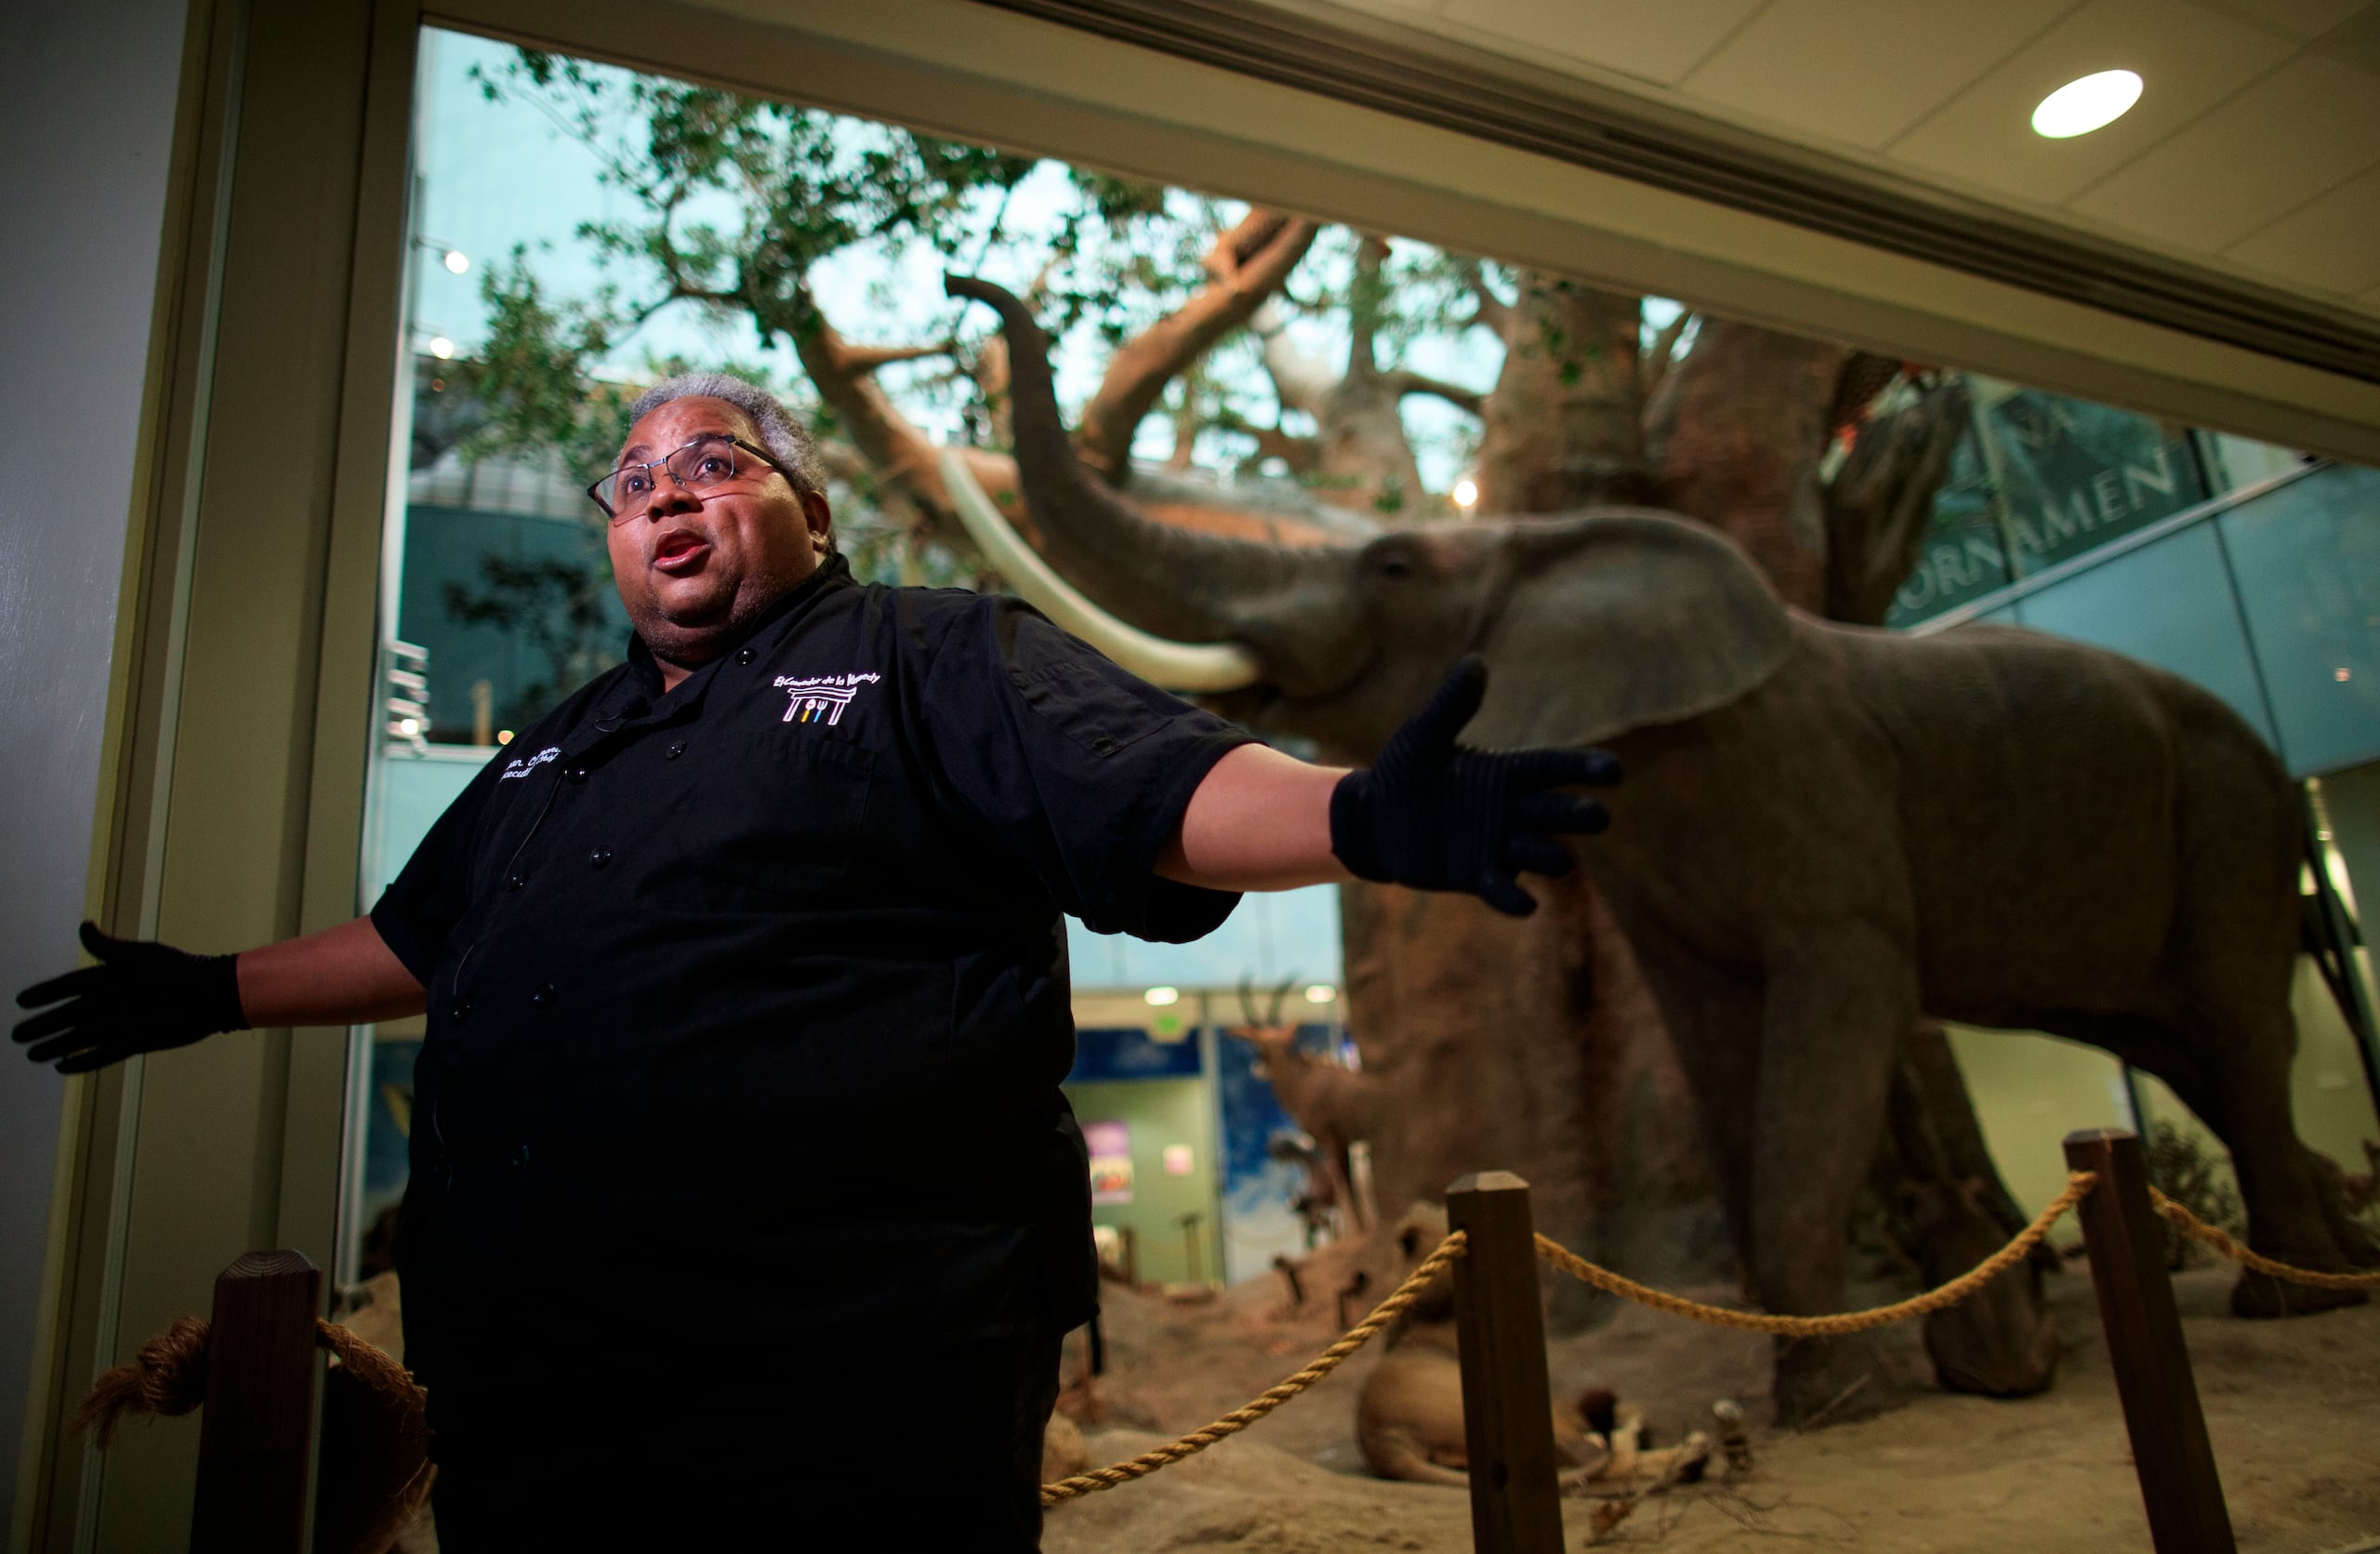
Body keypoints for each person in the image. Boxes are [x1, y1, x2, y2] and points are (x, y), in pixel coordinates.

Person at [15, 373, 1618, 1548]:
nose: (661, 492)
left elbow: (1151, 789)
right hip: (534, 1392)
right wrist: (210, 988)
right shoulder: (552, 749)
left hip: (850, 1392)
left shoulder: (930, 657)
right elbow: (418, 944)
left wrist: (1357, 817)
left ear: (808, 505)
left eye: (710, 461)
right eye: (631, 480)